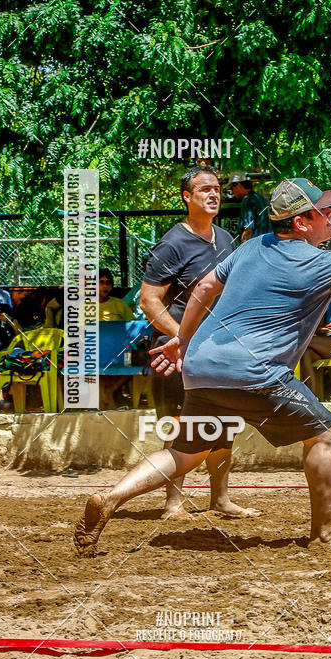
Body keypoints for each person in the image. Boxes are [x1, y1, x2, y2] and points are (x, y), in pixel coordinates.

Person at [74, 176, 331, 557]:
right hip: (254, 373)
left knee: (186, 452)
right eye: (323, 211)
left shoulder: (249, 247)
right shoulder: (323, 262)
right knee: (325, 432)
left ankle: (109, 498)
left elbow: (202, 288)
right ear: (302, 222)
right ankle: (324, 533)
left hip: (202, 367)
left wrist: (182, 338)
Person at [139, 166, 255, 521]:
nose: (214, 194)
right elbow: (149, 300)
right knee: (179, 424)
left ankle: (220, 499)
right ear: (186, 197)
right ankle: (173, 503)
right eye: (204, 189)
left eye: (217, 188)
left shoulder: (226, 239)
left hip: (218, 350)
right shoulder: (173, 243)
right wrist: (180, 338)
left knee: (225, 425)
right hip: (177, 352)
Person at [226, 172, 270, 242]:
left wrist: (244, 249)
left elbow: (248, 230)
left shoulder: (248, 200)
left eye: (232, 188)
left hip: (255, 246)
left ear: (238, 185)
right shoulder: (263, 198)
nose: (233, 192)